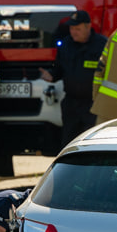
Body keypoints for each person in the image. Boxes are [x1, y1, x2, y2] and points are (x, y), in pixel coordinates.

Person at [38, 10, 107, 147]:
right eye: (71, 28)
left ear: (88, 27)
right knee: (69, 143)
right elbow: (59, 69)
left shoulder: (102, 44)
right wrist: (51, 76)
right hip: (71, 104)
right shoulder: (66, 44)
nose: (73, 32)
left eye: (77, 29)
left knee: (92, 143)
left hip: (93, 104)